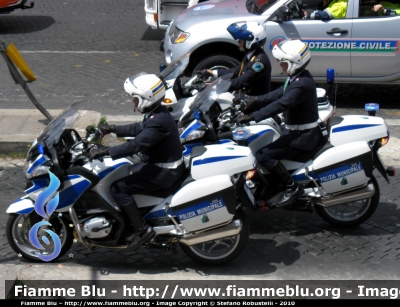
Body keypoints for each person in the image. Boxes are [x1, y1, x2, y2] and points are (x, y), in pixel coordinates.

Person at [87, 73, 185, 250]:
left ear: (146, 98)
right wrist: (112, 129)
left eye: (134, 99)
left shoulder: (158, 121)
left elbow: (137, 144)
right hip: (160, 165)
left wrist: (107, 151)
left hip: (163, 172)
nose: (133, 102)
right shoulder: (157, 113)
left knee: (118, 188)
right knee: (124, 170)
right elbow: (138, 129)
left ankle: (142, 230)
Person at [233, 39, 323, 207]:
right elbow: (277, 94)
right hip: (294, 129)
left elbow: (280, 104)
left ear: (293, 63)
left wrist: (252, 116)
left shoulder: (301, 85)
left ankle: (292, 186)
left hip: (301, 137)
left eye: (283, 63)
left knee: (262, 155)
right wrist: (252, 100)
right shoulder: (300, 77)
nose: (281, 66)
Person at [197, 21, 272, 96]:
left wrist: (213, 87)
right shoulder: (251, 55)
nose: (238, 41)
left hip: (255, 103)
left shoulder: (260, 62)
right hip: (244, 97)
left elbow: (241, 81)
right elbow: (236, 72)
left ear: (250, 41)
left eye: (241, 39)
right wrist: (212, 72)